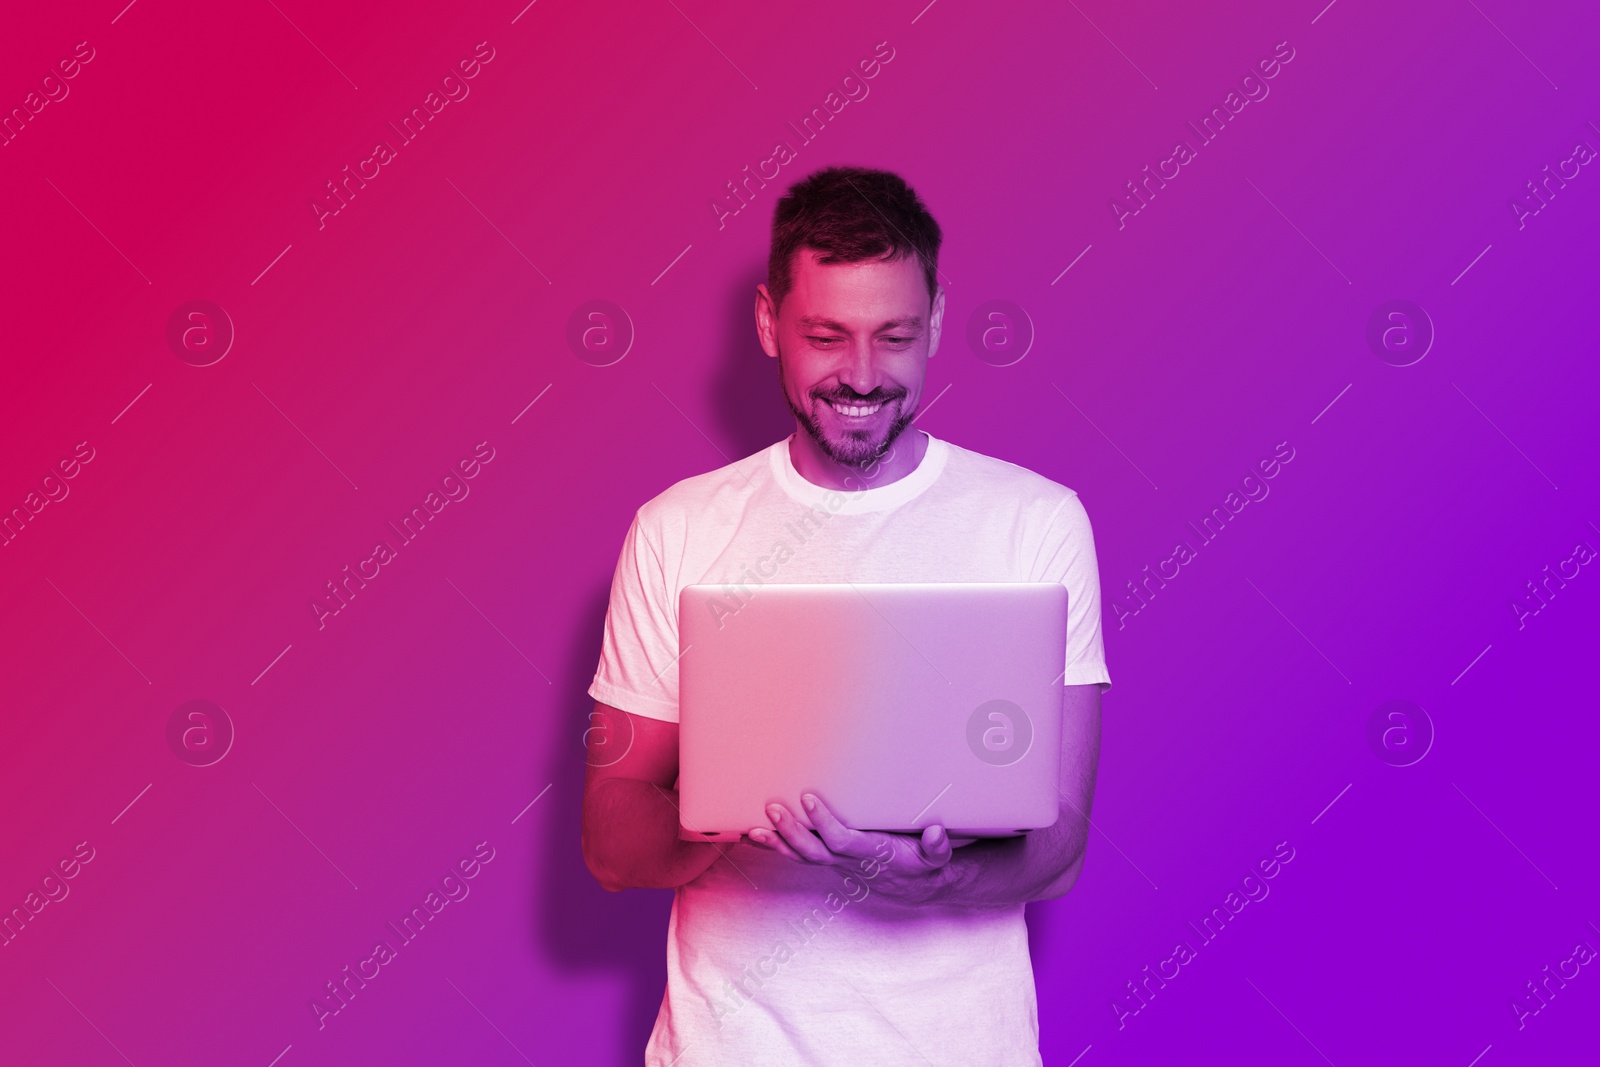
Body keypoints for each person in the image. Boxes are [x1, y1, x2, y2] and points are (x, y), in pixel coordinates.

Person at [581, 165, 1111, 1065]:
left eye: (895, 336)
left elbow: (1058, 846)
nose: (861, 376)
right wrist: (717, 813)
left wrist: (925, 884)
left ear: (937, 321)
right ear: (767, 323)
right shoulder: (675, 528)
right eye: (826, 335)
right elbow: (609, 842)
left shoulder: (1036, 521)